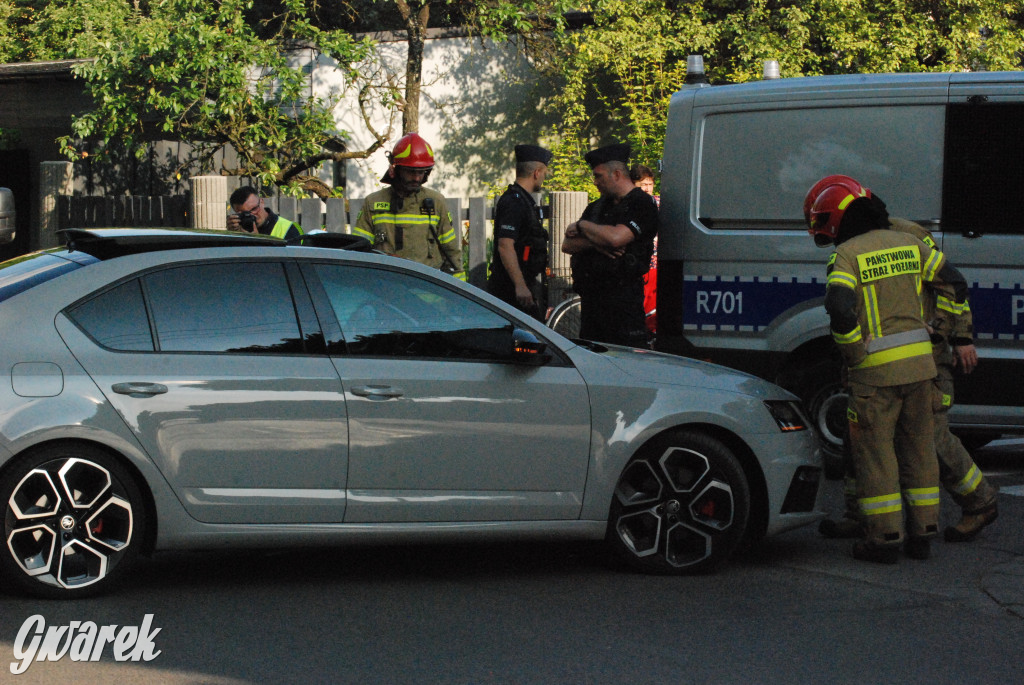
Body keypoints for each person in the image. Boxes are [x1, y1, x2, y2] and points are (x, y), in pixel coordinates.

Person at [805, 176, 999, 544]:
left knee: (928, 437)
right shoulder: (860, 240)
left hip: (921, 349)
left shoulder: (907, 237)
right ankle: (861, 515)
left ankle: (979, 501)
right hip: (880, 352)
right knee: (860, 435)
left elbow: (949, 285)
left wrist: (952, 335)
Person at [561, 143, 658, 347]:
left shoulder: (641, 203)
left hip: (623, 303)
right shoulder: (596, 207)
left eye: (599, 176)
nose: (595, 182)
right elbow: (567, 245)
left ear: (616, 174)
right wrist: (596, 244)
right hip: (592, 303)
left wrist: (582, 225)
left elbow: (616, 238)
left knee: (625, 361)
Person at [353, 132, 465, 280]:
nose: (417, 178)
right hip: (385, 289)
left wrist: (456, 295)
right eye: (411, 172)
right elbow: (358, 251)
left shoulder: (436, 202)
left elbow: (451, 253)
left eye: (421, 172)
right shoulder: (373, 203)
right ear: (395, 169)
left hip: (427, 292)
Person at [487, 144, 552, 320]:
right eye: (544, 174)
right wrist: (520, 286)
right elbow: (505, 245)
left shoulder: (524, 201)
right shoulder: (514, 202)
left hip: (522, 286)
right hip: (510, 290)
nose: (544, 178)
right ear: (537, 173)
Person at [629, 163, 659, 335]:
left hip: (656, 261)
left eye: (650, 184)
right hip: (639, 262)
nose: (647, 188)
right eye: (643, 185)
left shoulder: (659, 202)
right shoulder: (630, 205)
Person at [228, 186, 303, 240]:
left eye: (254, 209)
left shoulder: (288, 229)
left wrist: (257, 241)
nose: (251, 215)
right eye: (244, 214)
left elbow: (289, 260)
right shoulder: (236, 231)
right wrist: (230, 236)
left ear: (262, 202)